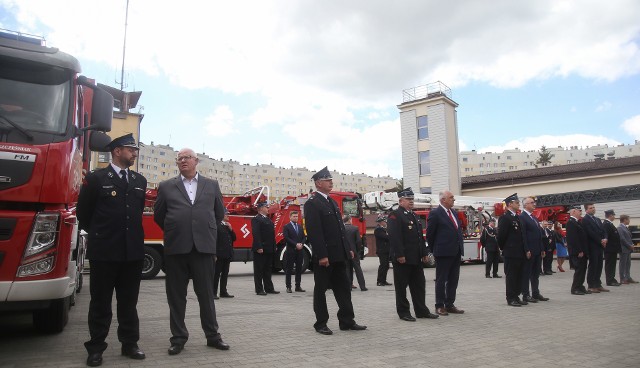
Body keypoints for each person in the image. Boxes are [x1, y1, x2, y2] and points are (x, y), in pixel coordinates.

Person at [77, 133, 147, 366]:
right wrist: (102, 235)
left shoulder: (139, 180)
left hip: (132, 253)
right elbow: (83, 214)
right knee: (100, 303)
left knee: (129, 302)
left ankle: (129, 344)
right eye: (131, 149)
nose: (135, 153)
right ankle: (96, 348)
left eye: (135, 150)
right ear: (117, 151)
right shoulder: (97, 179)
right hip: (105, 252)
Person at [153, 148, 229, 355]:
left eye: (187, 158)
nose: (183, 161)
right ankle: (178, 338)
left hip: (203, 248)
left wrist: (203, 231)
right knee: (176, 296)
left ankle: (213, 336)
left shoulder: (211, 185)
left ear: (197, 161)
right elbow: (159, 215)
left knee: (206, 295)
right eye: (179, 159)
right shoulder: (167, 186)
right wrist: (177, 228)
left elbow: (218, 213)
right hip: (176, 248)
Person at [303, 166, 366, 335]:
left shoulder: (330, 201)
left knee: (344, 288)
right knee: (321, 289)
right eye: (327, 180)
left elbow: (340, 229)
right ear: (318, 183)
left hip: (339, 255)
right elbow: (315, 232)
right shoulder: (312, 203)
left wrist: (348, 250)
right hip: (326, 257)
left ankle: (347, 321)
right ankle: (320, 323)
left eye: (331, 180)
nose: (331, 182)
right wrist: (322, 255)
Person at [388, 188, 439, 322]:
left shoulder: (413, 215)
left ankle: (421, 311)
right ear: (401, 201)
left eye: (412, 199)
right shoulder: (395, 215)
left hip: (416, 258)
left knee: (419, 286)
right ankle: (403, 312)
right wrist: (400, 254)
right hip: (403, 259)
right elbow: (395, 237)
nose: (411, 202)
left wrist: (423, 253)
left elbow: (419, 237)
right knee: (401, 287)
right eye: (408, 199)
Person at [426, 190, 465, 316]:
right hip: (443, 252)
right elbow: (430, 234)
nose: (453, 199)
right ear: (443, 200)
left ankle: (450, 304)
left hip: (456, 251)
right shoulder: (435, 213)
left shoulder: (453, 212)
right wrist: (434, 250)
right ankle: (439, 305)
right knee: (441, 280)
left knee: (454, 279)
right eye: (451, 197)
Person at [497, 193, 527, 306]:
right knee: (511, 276)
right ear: (510, 204)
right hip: (511, 252)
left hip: (520, 252)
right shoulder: (505, 218)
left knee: (519, 275)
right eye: (517, 203)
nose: (519, 204)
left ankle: (516, 296)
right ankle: (511, 298)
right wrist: (504, 248)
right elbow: (501, 236)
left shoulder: (517, 217)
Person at [518, 196, 549, 303]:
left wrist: (542, 249)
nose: (534, 204)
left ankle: (536, 293)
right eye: (532, 202)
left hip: (537, 250)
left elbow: (539, 235)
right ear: (525, 205)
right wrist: (526, 250)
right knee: (526, 273)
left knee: (535, 274)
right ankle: (526, 294)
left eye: (534, 202)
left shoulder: (534, 218)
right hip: (530, 251)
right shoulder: (522, 217)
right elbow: (523, 236)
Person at [251, 202, 279, 295]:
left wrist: (274, 246)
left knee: (268, 269)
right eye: (266, 207)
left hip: (269, 248)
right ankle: (259, 289)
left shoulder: (268, 219)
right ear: (261, 208)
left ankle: (269, 288)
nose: (268, 209)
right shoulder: (256, 219)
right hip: (261, 248)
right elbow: (256, 233)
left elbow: (272, 235)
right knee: (259, 270)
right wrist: (259, 247)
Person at [581, 203, 609, 293]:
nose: (593, 209)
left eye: (593, 207)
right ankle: (591, 285)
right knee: (593, 265)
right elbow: (590, 233)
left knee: (599, 265)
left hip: (600, 246)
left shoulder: (597, 219)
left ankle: (598, 284)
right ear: (586, 210)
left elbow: (603, 230)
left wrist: (605, 238)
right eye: (591, 208)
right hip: (592, 246)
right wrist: (600, 240)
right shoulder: (585, 220)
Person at [566, 207, 589, 295]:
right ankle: (575, 288)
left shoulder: (577, 222)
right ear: (574, 211)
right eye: (579, 211)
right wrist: (579, 250)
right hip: (577, 252)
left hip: (582, 251)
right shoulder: (571, 223)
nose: (581, 213)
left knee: (583, 269)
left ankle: (580, 286)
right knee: (579, 270)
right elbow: (573, 239)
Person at [214, 210, 236, 299]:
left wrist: (231, 229)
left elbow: (234, 238)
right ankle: (213, 292)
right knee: (216, 274)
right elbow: (214, 240)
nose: (228, 216)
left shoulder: (227, 226)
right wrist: (214, 254)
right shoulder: (217, 225)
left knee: (225, 274)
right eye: (227, 214)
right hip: (219, 254)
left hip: (227, 254)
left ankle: (223, 291)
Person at [283, 211, 306, 293]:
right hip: (291, 251)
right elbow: (286, 238)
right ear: (290, 217)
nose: (296, 218)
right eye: (294, 216)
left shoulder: (300, 227)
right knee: (289, 269)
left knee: (299, 269)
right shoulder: (287, 227)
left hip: (300, 251)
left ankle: (298, 286)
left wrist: (302, 244)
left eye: (297, 216)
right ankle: (288, 287)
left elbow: (304, 237)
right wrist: (295, 244)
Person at [344, 214, 367, 291]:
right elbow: (358, 241)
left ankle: (348, 286)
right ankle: (362, 286)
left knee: (347, 269)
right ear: (350, 220)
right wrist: (357, 251)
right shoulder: (355, 228)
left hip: (345, 252)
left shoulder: (341, 229)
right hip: (354, 252)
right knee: (358, 269)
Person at [602, 210, 621, 286]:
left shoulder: (609, 224)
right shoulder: (606, 224)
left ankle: (612, 279)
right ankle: (610, 280)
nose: (614, 217)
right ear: (610, 216)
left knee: (612, 264)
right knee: (610, 265)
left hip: (612, 248)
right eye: (613, 215)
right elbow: (606, 235)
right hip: (609, 248)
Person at [618, 215, 637, 284]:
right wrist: (629, 246)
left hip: (628, 249)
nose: (629, 221)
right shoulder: (620, 228)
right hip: (624, 249)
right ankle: (622, 278)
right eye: (628, 219)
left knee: (628, 264)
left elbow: (628, 237)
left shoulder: (625, 227)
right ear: (624, 220)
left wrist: (631, 245)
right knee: (623, 264)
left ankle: (628, 277)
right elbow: (622, 239)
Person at [374, 216, 392, 286]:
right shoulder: (378, 229)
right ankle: (379, 281)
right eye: (385, 222)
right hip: (382, 250)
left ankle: (383, 280)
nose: (386, 223)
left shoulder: (383, 229)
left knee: (386, 266)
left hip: (385, 250)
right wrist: (389, 235)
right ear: (381, 222)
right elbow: (386, 237)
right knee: (383, 265)